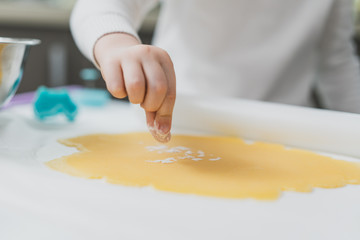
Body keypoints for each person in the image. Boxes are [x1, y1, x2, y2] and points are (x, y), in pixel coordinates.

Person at [70, 0, 360, 142]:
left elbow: (337, 63)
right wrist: (117, 44)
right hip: (185, 125)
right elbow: (100, 6)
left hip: (287, 134)